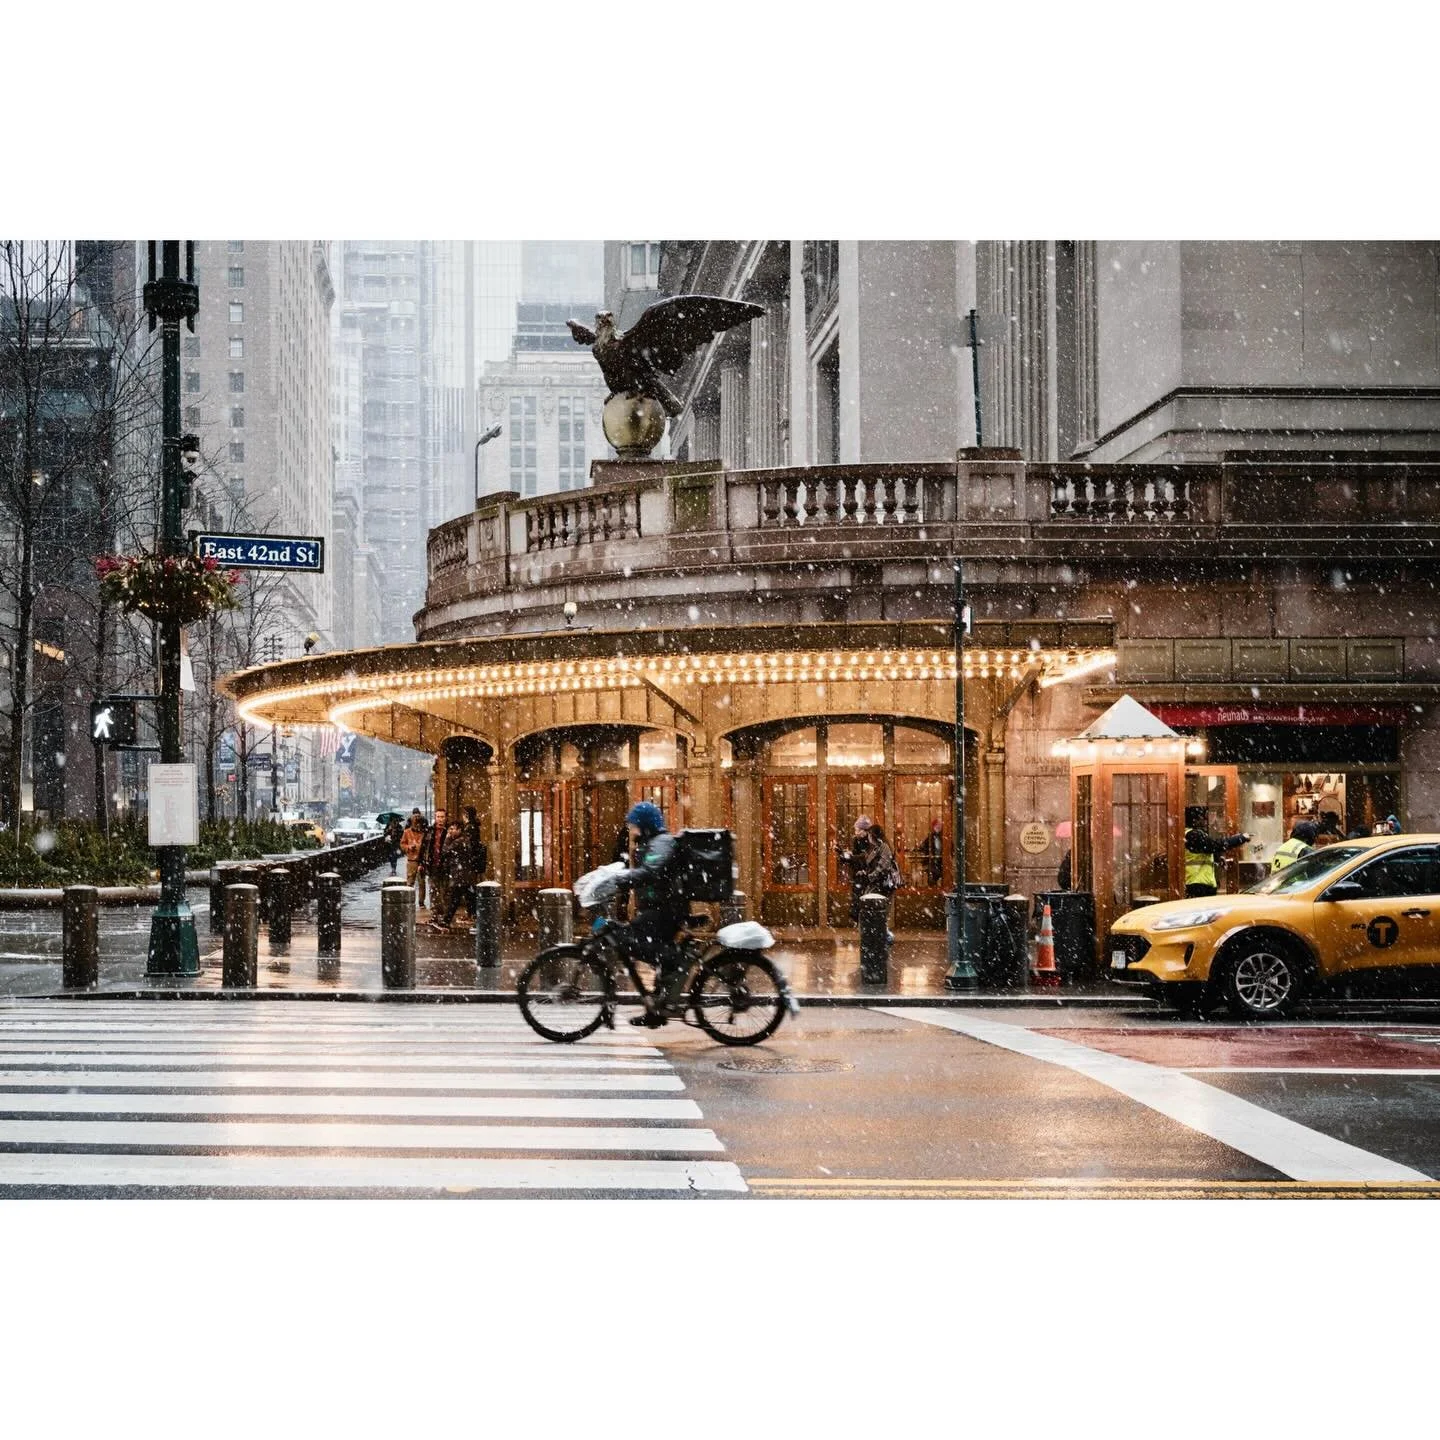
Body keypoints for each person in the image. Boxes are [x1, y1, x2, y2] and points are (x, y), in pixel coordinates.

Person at [612, 800, 689, 1027]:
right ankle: (656, 1010)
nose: (633, 830)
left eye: (636, 825)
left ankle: (671, 959)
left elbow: (650, 871)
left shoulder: (661, 843)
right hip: (658, 908)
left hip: (667, 909)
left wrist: (621, 879)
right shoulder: (652, 841)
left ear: (646, 825)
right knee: (646, 945)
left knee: (630, 939)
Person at [1183, 805, 1250, 898]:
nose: (1205, 821)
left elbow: (1203, 850)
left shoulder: (1189, 834)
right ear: (1196, 819)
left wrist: (1217, 857)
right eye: (1203, 818)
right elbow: (1214, 845)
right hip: (1198, 884)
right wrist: (1240, 838)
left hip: (1197, 883)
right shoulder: (1194, 835)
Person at [839, 817, 874, 926]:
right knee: (857, 894)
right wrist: (845, 855)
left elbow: (867, 857)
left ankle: (863, 919)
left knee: (865, 895)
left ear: (865, 831)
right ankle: (857, 918)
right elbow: (856, 855)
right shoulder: (856, 840)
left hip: (869, 873)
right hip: (858, 873)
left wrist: (852, 857)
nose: (856, 832)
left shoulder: (872, 840)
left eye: (858, 830)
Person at [417, 807, 447, 915]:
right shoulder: (429, 831)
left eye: (442, 817)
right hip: (432, 864)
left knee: (444, 890)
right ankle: (435, 911)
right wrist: (421, 863)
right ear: (435, 817)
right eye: (438, 817)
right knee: (433, 889)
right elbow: (423, 848)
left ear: (445, 818)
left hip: (445, 865)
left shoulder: (448, 831)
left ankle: (443, 912)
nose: (440, 819)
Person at [401, 809, 425, 900]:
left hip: (421, 860)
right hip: (411, 861)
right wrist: (409, 847)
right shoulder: (407, 832)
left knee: (421, 883)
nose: (417, 824)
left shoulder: (424, 832)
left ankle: (421, 901)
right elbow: (402, 844)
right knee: (410, 882)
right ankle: (409, 900)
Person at [921, 818, 943, 887]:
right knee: (932, 877)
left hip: (941, 862)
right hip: (932, 862)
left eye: (939, 825)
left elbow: (950, 848)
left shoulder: (943, 837)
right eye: (936, 825)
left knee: (939, 876)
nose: (938, 827)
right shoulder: (930, 837)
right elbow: (923, 846)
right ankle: (933, 888)